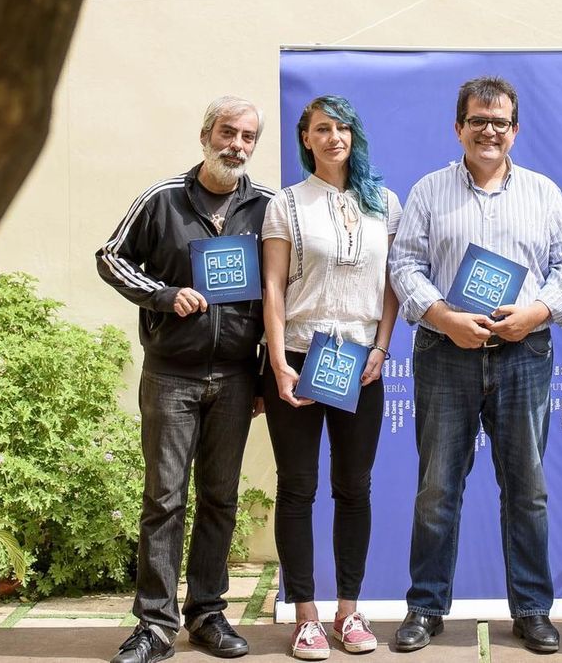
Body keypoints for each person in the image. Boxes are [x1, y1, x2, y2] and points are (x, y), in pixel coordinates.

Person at [388, 76, 562, 655]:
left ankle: (531, 609)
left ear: (515, 130)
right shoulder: (427, 191)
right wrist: (444, 316)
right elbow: (405, 266)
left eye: (500, 122)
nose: (489, 131)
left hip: (524, 353)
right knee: (436, 489)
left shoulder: (545, 193)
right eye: (478, 120)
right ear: (459, 128)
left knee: (527, 490)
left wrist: (536, 312)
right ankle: (425, 608)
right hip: (445, 354)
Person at [95, 97, 273, 663]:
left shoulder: (268, 207)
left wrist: (268, 374)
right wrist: (166, 296)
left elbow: (281, 293)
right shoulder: (162, 199)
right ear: (205, 135)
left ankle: (208, 614)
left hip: (239, 376)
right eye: (228, 133)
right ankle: (153, 624)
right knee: (164, 500)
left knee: (220, 498)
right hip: (172, 374)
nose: (237, 145)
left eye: (247, 137)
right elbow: (111, 257)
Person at [261, 96, 402, 660]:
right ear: (306, 138)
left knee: (354, 488)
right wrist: (277, 363)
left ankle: (349, 611)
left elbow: (393, 282)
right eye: (322, 128)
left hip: (359, 363)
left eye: (342, 126)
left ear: (353, 135)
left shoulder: (383, 203)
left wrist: (383, 347)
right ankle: (305, 617)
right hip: (298, 355)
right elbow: (273, 287)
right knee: (297, 488)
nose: (333, 136)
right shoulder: (286, 205)